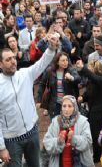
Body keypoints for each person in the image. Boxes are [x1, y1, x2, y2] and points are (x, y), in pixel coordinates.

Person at [0, 34, 59, 166]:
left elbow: (42, 63)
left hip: (32, 133)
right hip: (11, 140)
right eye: (8, 59)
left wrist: (51, 48)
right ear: (0, 63)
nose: (13, 61)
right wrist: (1, 147)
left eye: (13, 58)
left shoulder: (25, 74)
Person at [43, 95, 94, 167]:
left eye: (70, 106)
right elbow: (46, 142)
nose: (66, 109)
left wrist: (73, 139)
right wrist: (58, 141)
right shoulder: (55, 122)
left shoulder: (83, 122)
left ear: (75, 108)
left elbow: (88, 141)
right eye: (64, 106)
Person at [76, 59, 102, 165]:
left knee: (96, 134)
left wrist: (84, 68)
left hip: (99, 112)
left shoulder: (101, 79)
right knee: (93, 133)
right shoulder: (92, 80)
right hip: (93, 110)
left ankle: (97, 157)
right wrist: (82, 97)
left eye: (90, 67)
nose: (88, 68)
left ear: (95, 68)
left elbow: (92, 77)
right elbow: (89, 92)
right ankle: (97, 153)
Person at [38, 52, 81, 118]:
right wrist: (39, 99)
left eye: (67, 60)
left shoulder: (71, 70)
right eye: (63, 60)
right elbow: (42, 84)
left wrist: (71, 78)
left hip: (68, 103)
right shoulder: (50, 71)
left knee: (69, 125)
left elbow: (78, 79)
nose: (65, 62)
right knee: (56, 125)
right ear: (57, 62)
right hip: (55, 104)